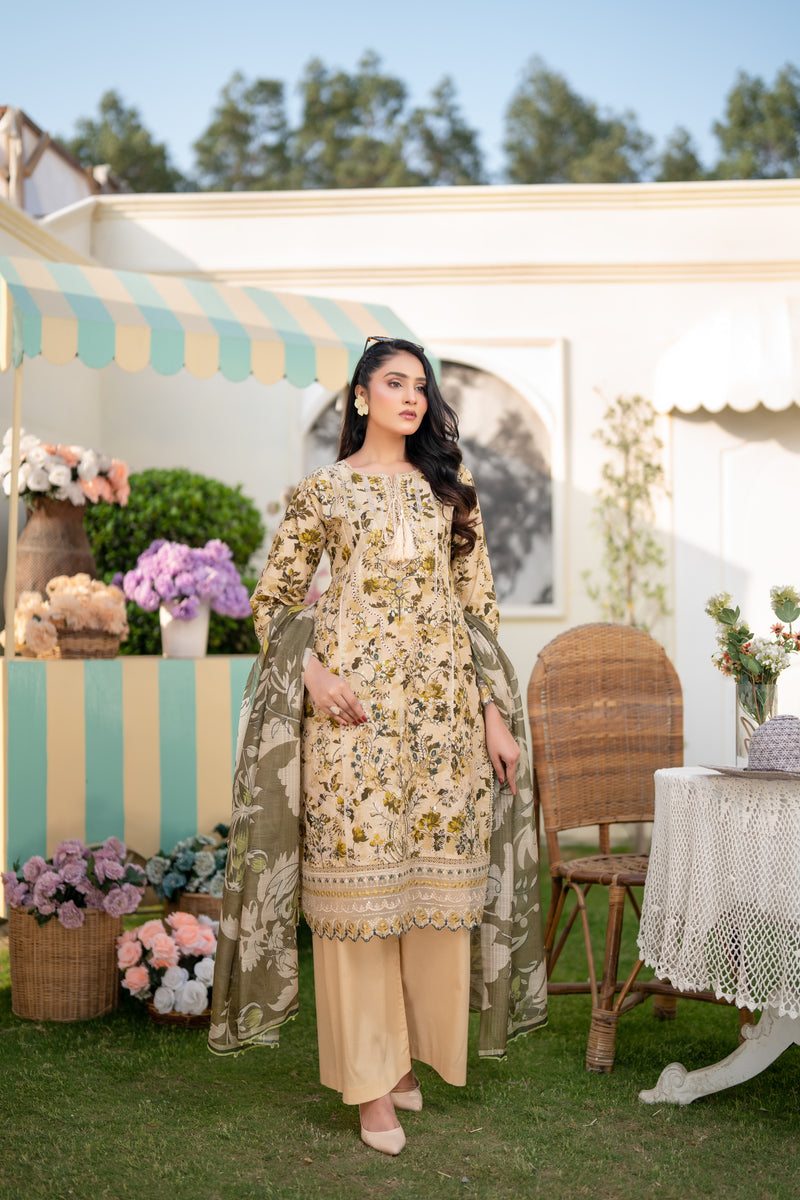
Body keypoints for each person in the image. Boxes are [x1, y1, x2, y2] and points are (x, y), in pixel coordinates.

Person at [209, 336, 545, 1155]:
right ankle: (369, 1083)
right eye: (395, 383)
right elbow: (272, 600)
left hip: (442, 720)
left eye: (421, 386)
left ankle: (404, 1061)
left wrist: (494, 715)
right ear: (360, 396)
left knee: (431, 891)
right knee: (356, 893)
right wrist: (313, 674)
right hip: (352, 719)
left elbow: (478, 607)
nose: (412, 397)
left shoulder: (450, 490)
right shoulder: (323, 491)